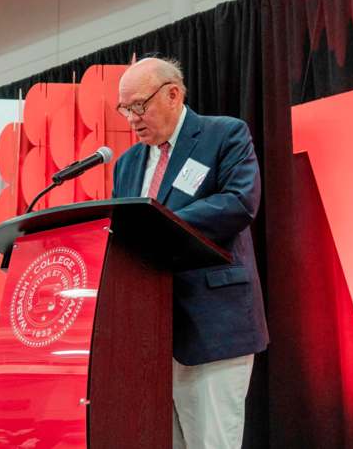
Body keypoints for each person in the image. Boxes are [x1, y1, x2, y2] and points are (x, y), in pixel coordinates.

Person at [112, 57, 269, 448]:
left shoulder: (224, 135)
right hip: (150, 337)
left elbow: (238, 203)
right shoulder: (127, 164)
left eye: (139, 106)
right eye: (124, 109)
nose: (132, 118)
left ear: (173, 94)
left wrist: (160, 224)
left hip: (213, 327)